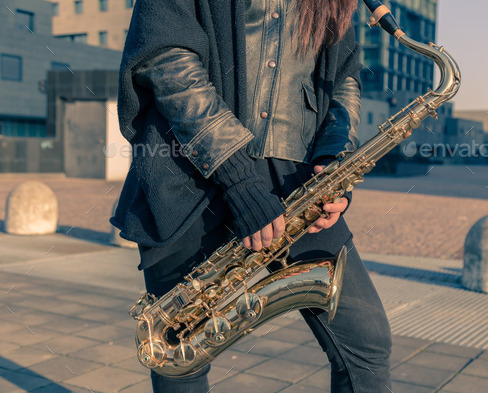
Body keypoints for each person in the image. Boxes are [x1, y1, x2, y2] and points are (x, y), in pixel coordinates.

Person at [111, 0, 392, 392]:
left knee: (367, 343)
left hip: (300, 185)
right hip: (191, 174)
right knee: (180, 359)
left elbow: (343, 77)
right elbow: (166, 58)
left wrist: (334, 159)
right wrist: (240, 179)